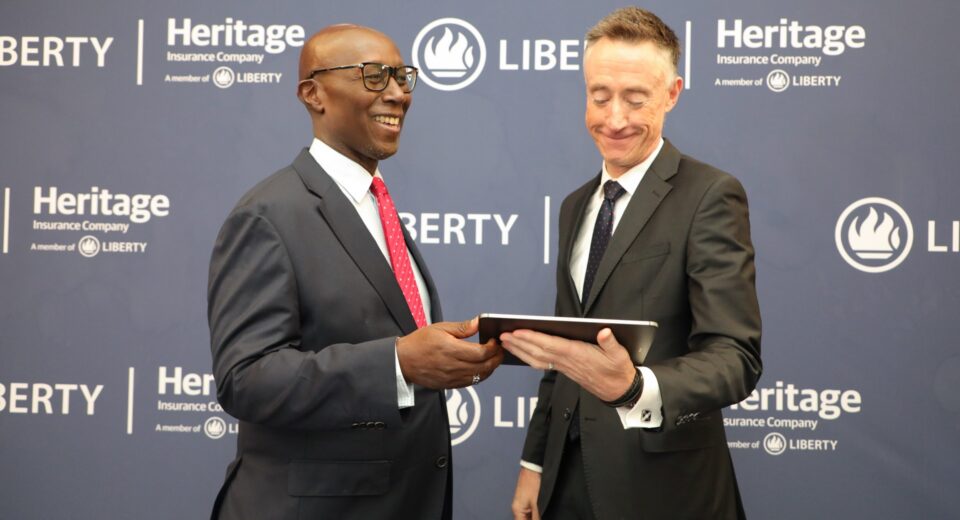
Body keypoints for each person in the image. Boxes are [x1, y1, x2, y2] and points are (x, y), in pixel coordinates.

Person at [206, 24, 502, 520]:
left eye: (402, 77)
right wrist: (398, 363)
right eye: (372, 75)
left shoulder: (376, 206)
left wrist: (434, 357)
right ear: (312, 94)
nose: (396, 93)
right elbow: (246, 378)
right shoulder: (268, 215)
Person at [502, 7, 762, 520]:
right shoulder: (576, 205)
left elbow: (735, 357)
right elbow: (565, 354)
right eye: (599, 97)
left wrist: (636, 388)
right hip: (564, 484)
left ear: (672, 93)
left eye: (635, 99)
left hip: (664, 491)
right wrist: (534, 461)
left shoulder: (710, 195)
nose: (614, 118)